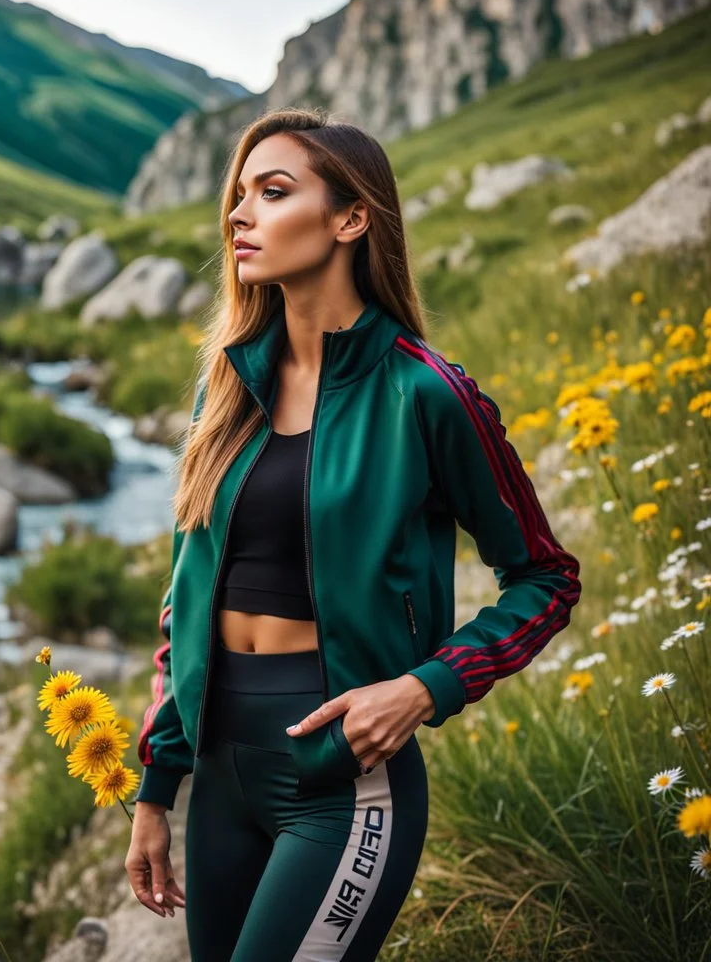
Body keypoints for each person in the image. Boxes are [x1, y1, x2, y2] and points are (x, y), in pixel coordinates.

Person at [123, 106, 582, 961]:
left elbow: (546, 579)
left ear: (350, 218)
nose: (238, 215)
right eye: (239, 195)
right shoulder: (225, 390)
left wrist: (423, 687)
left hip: (343, 786)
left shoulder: (428, 394)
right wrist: (159, 786)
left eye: (273, 191)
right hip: (220, 780)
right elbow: (183, 598)